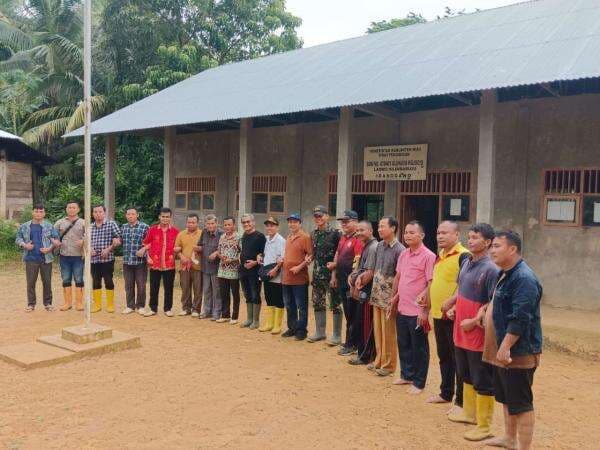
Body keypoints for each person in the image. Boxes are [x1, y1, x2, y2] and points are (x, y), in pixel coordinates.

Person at [482, 231, 543, 450]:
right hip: (502, 351)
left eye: (497, 246)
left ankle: (523, 447)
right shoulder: (505, 273)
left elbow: (521, 318)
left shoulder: (524, 278)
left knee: (521, 403)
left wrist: (506, 346)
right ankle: (509, 438)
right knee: (507, 398)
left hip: (518, 353)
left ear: (512, 249)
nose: (492, 250)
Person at [443, 223, 499, 441]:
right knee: (465, 372)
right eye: (470, 236)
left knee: (482, 377)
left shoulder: (491, 269)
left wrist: (475, 321)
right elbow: (462, 292)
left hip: (477, 333)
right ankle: (468, 413)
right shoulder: (466, 262)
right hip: (460, 330)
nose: (471, 240)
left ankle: (484, 425)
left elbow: (493, 303)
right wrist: (454, 306)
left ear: (487, 242)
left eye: (476, 237)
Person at [388, 221, 436, 394]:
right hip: (402, 307)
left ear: (421, 236)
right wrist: (393, 298)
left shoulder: (429, 256)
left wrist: (425, 309)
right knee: (404, 343)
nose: (407, 235)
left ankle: (419, 382)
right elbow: (398, 277)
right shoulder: (403, 254)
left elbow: (431, 283)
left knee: (419, 347)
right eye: (406, 232)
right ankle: (406, 374)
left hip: (417, 311)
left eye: (411, 233)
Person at [426, 221, 470, 411]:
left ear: (457, 235)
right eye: (438, 233)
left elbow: (466, 285)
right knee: (444, 355)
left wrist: (453, 302)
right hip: (438, 313)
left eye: (445, 233)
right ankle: (445, 393)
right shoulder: (441, 255)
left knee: (458, 358)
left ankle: (461, 401)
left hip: (453, 316)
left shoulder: (464, 256)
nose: (440, 236)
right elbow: (436, 281)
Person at [369, 217, 404, 376]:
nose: (379, 229)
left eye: (382, 226)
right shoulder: (379, 246)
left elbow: (400, 275)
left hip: (390, 295)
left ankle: (389, 365)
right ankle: (379, 360)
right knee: (378, 329)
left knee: (389, 331)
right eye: (379, 227)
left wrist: (395, 296)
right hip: (377, 293)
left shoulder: (400, 249)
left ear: (393, 228)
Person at [306, 205, 341, 343]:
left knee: (335, 304)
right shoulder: (313, 234)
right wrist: (310, 257)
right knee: (317, 302)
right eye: (316, 216)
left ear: (327, 216)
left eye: (320, 216)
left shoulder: (336, 233)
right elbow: (314, 252)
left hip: (331, 276)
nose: (318, 218)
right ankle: (320, 332)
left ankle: (337, 335)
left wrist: (335, 273)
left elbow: (340, 255)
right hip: (317, 275)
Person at [15, 203, 59, 312]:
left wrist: (49, 248)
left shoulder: (49, 226)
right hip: (30, 259)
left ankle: (48, 303)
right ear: (32, 212)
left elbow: (56, 239)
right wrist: (25, 245)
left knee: (47, 282)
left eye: (41, 211)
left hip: (46, 258)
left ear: (44, 213)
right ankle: (31, 304)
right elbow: (18, 239)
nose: (38, 213)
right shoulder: (25, 226)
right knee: (30, 282)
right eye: (36, 211)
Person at [331, 210, 363, 354]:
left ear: (355, 221)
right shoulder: (343, 237)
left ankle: (352, 344)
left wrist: (353, 280)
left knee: (353, 315)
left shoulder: (358, 239)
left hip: (352, 283)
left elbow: (358, 261)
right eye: (342, 221)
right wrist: (334, 275)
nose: (343, 223)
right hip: (342, 281)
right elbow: (337, 255)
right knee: (348, 313)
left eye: (347, 221)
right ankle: (349, 342)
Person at [347, 221, 378, 365]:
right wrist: (352, 277)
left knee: (365, 325)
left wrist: (356, 283)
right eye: (357, 230)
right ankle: (362, 353)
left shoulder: (373, 247)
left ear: (371, 231)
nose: (359, 232)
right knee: (360, 323)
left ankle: (365, 356)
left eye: (362, 230)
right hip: (362, 290)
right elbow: (360, 269)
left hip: (367, 292)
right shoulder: (366, 246)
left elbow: (369, 272)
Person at [142, 207, 179, 317]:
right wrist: (148, 257)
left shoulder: (175, 231)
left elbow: (178, 246)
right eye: (163, 216)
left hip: (169, 264)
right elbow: (145, 244)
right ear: (159, 217)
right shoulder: (152, 229)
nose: (165, 219)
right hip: (155, 264)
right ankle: (153, 308)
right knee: (154, 287)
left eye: (167, 217)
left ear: (170, 218)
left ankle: (168, 308)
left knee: (169, 287)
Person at [281, 213, 312, 340]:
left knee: (301, 306)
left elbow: (310, 256)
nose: (292, 224)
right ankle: (292, 328)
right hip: (287, 278)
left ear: (300, 223)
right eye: (290, 222)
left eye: (295, 222)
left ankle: (301, 330)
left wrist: (299, 267)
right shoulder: (288, 237)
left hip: (299, 279)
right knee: (289, 305)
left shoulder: (305, 237)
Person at [54, 201, 86, 311]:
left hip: (78, 256)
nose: (71, 209)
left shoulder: (83, 222)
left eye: (74, 207)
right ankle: (67, 303)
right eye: (69, 207)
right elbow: (52, 235)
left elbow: (90, 236)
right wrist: (55, 242)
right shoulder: (60, 222)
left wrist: (83, 240)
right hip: (64, 255)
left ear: (78, 210)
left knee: (79, 279)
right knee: (66, 279)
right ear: (66, 209)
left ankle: (79, 303)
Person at [90, 205, 121, 313]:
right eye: (95, 212)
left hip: (107, 259)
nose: (98, 213)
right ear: (92, 214)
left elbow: (118, 239)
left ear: (104, 213)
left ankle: (110, 304)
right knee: (95, 281)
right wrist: (89, 248)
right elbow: (85, 241)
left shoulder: (111, 224)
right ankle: (97, 304)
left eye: (100, 211)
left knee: (108, 280)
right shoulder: (89, 227)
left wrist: (109, 249)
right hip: (93, 260)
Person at [258, 216, 286, 334]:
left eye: (272, 225)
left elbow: (282, 258)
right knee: (269, 298)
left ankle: (277, 325)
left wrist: (275, 269)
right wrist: (259, 256)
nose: (269, 227)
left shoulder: (281, 240)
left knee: (278, 298)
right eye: (268, 225)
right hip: (267, 272)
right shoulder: (266, 239)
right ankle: (269, 323)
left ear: (277, 227)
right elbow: (264, 253)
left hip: (277, 274)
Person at [119, 207, 149, 315]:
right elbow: (120, 241)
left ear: (137, 215)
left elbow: (150, 242)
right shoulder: (123, 227)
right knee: (128, 285)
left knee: (141, 285)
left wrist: (144, 249)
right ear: (126, 216)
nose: (130, 216)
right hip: (127, 261)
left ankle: (140, 306)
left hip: (140, 262)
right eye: (128, 214)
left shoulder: (145, 227)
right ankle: (130, 306)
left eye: (132, 214)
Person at [239, 213, 266, 329]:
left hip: (255, 271)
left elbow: (265, 254)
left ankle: (256, 320)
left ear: (253, 222)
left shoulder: (260, 236)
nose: (246, 224)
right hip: (243, 270)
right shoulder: (244, 236)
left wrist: (254, 263)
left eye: (248, 222)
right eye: (244, 222)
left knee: (255, 294)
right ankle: (249, 319)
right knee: (247, 294)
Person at [174, 213, 203, 316]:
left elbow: (206, 248)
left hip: (198, 266)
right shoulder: (181, 234)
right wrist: (181, 257)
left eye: (193, 222)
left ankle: (196, 309)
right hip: (184, 266)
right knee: (185, 288)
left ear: (197, 223)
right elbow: (177, 249)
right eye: (189, 222)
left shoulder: (202, 234)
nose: (190, 224)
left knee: (198, 289)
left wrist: (200, 249)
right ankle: (186, 308)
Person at [216, 216, 241, 324]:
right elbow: (218, 251)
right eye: (225, 225)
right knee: (224, 293)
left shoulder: (239, 237)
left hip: (234, 270)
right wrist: (221, 257)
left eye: (229, 224)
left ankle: (234, 317)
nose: (227, 226)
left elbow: (241, 254)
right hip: (222, 269)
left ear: (234, 225)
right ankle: (225, 315)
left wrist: (232, 260)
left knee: (235, 294)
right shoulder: (222, 237)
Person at [198, 214, 222, 320]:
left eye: (212, 223)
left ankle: (216, 312)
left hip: (216, 267)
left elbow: (225, 247)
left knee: (216, 291)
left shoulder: (222, 234)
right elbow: (200, 245)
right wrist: (196, 248)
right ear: (205, 224)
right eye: (208, 224)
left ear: (216, 223)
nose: (210, 225)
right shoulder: (204, 232)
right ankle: (206, 311)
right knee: (206, 290)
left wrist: (216, 252)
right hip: (205, 266)